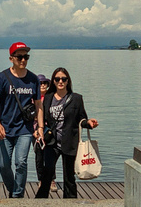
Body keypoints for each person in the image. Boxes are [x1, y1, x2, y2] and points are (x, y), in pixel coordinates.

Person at [34, 68, 99, 199]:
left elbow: (81, 119)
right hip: (52, 142)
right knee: (47, 173)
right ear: (53, 81)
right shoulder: (47, 98)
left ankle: (70, 203)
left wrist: (89, 123)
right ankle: (39, 202)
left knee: (69, 176)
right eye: (57, 79)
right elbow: (43, 119)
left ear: (68, 81)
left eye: (63, 79)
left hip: (70, 141)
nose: (60, 81)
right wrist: (37, 130)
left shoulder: (76, 98)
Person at [0, 41, 42, 198]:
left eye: (26, 57)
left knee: (21, 163)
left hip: (24, 130)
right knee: (3, 165)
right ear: (11, 58)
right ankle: (13, 189)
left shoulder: (33, 79)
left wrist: (39, 128)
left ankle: (17, 196)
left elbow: (39, 105)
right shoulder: (1, 78)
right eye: (19, 57)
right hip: (4, 128)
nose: (23, 60)